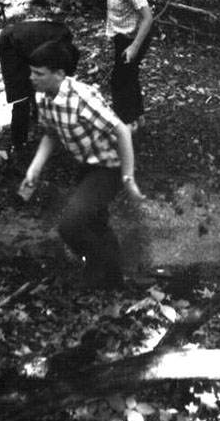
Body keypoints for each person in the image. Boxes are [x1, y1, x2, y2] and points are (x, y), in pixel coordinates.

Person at [17, 39, 143, 289]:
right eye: (32, 72)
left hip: (110, 167)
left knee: (70, 226)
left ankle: (100, 268)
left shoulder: (82, 97)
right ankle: (114, 279)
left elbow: (122, 130)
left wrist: (128, 177)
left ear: (59, 74)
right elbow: (50, 133)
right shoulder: (43, 95)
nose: (32, 78)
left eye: (39, 74)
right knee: (95, 223)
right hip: (87, 165)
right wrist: (34, 169)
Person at [95, 0, 154, 131]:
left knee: (119, 81)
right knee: (128, 77)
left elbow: (147, 18)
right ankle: (138, 117)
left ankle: (126, 124)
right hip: (122, 36)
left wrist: (134, 47)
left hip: (133, 39)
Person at [0, 19, 73, 151]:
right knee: (21, 98)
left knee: (37, 84)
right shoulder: (58, 42)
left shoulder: (60, 36)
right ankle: (18, 143)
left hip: (22, 43)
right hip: (10, 45)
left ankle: (38, 119)